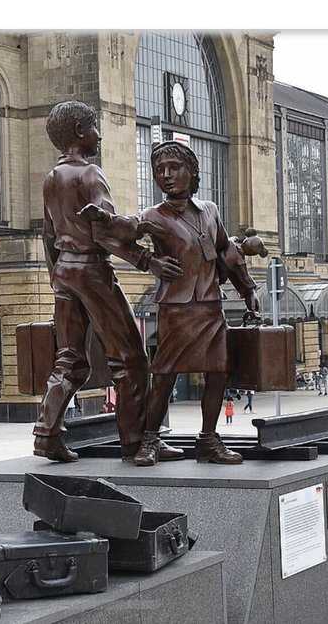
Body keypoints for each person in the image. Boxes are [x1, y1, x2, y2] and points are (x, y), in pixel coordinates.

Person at [84, 139, 260, 465]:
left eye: (174, 168)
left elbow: (227, 252)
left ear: (192, 172)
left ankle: (208, 439)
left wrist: (248, 289)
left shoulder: (210, 211)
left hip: (210, 307)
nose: (166, 175)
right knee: (164, 376)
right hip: (176, 310)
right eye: (159, 170)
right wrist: (146, 260)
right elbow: (121, 231)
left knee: (218, 374)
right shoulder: (156, 215)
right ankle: (150, 440)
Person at [34, 100, 158, 466]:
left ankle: (46, 433)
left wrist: (57, 277)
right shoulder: (89, 174)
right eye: (94, 126)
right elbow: (104, 230)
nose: (99, 135)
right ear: (79, 133)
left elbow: (47, 234)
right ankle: (134, 444)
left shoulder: (51, 179)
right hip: (91, 270)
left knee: (69, 358)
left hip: (64, 272)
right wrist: (145, 259)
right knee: (131, 359)